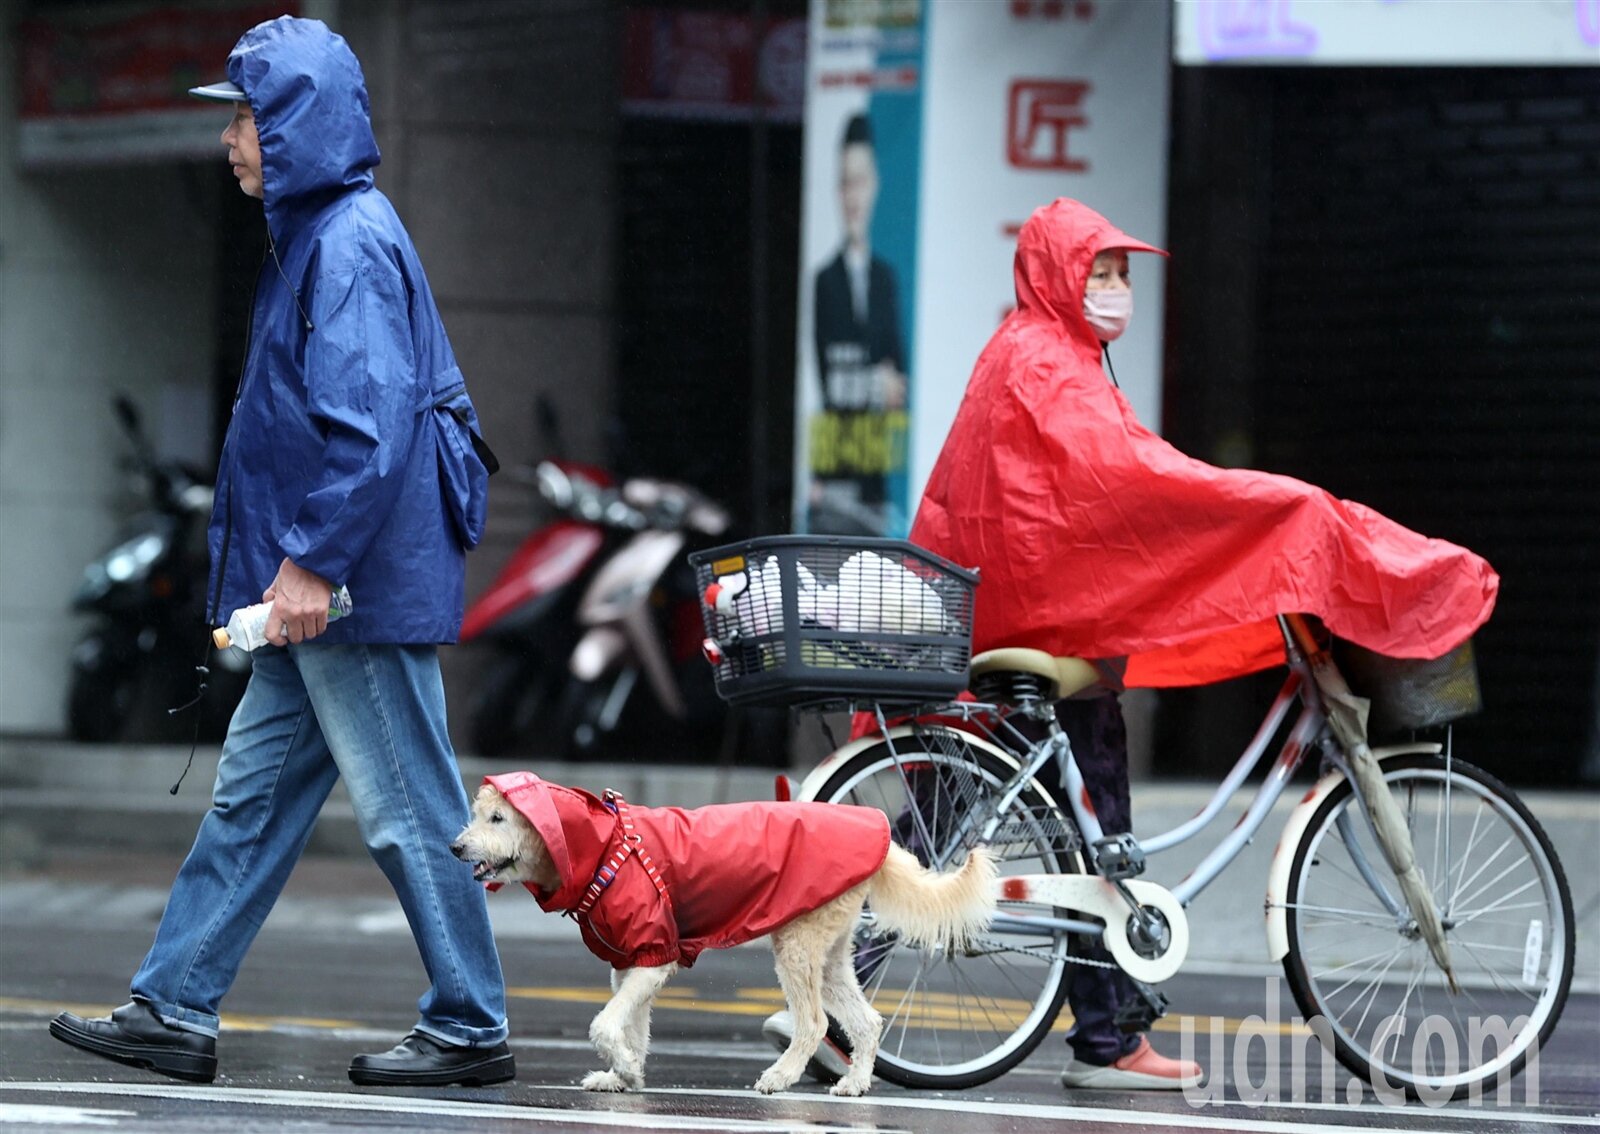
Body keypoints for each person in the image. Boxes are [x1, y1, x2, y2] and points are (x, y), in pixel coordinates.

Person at [909, 197, 1498, 1088]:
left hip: (1006, 612)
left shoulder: (1035, 353)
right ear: (1055, 274)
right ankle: (1104, 1041)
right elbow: (1130, 483)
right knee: (1090, 819)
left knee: (986, 827)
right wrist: (1265, 511)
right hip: (1043, 616)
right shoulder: (1048, 363)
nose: (1114, 288)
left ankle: (850, 996)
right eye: (1098, 272)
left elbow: (1107, 480)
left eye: (1122, 274)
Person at [49, 16, 513, 1088]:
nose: (231, 142)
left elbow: (370, 423)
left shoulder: (345, 240)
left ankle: (471, 1024)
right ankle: (173, 1007)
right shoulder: (321, 233)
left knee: (411, 812)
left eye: (247, 119)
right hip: (328, 582)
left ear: (298, 125)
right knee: (250, 803)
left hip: (349, 586)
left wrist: (310, 564)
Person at [807, 113, 908, 536]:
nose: (853, 195)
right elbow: (826, 378)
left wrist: (887, 383)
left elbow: (899, 381)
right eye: (845, 182)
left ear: (875, 186)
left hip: (879, 469)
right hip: (834, 470)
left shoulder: (886, 279)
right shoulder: (824, 281)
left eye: (861, 181)